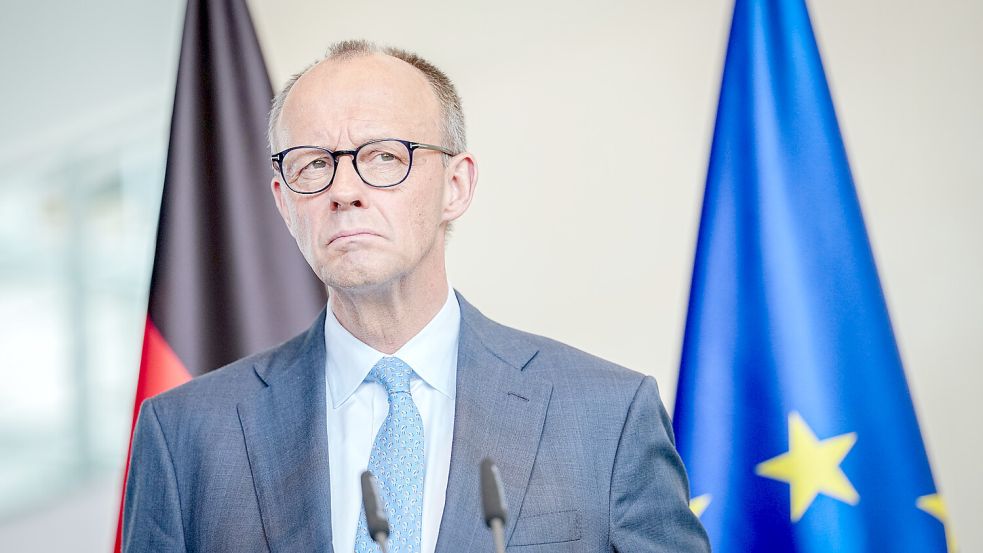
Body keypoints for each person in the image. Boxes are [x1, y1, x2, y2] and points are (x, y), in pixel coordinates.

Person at [123, 40, 709, 552]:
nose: (344, 190)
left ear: (456, 186)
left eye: (383, 157)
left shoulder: (607, 416)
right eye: (312, 165)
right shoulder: (187, 436)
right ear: (283, 202)